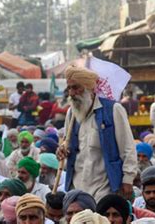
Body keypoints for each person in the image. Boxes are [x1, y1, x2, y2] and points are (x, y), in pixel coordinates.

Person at [57, 65, 137, 202]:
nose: (71, 93)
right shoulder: (72, 113)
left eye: (76, 88)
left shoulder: (113, 110)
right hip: (77, 187)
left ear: (90, 88)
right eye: (69, 88)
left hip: (105, 188)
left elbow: (128, 148)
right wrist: (62, 150)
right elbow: (67, 144)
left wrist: (128, 179)